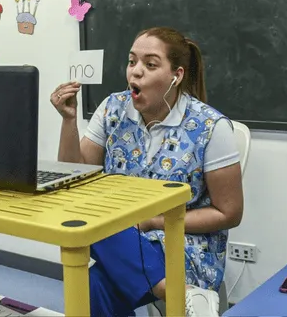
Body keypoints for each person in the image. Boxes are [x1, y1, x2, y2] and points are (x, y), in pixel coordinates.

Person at [51, 27, 244, 317]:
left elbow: (229, 213)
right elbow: (73, 178)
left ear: (176, 75)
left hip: (182, 242)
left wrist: (154, 221)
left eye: (150, 64)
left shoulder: (210, 127)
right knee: (95, 248)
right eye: (132, 62)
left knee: (94, 276)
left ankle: (179, 286)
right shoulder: (112, 109)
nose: (135, 73)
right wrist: (69, 121)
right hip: (120, 234)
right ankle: (179, 293)